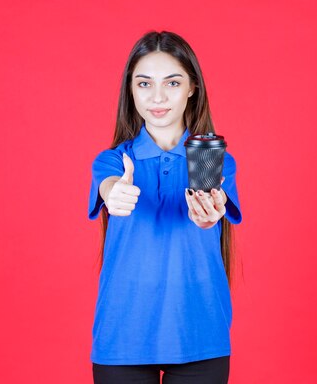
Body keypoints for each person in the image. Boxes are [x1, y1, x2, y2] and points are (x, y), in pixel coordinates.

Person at [87, 30, 243, 383]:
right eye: (144, 84)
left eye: (172, 83)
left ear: (192, 88)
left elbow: (212, 207)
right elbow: (110, 185)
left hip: (200, 334)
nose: (157, 97)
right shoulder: (113, 160)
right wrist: (114, 194)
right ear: (131, 90)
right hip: (122, 335)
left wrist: (207, 215)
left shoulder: (211, 158)